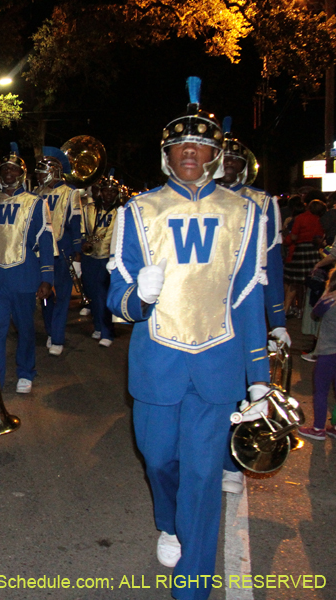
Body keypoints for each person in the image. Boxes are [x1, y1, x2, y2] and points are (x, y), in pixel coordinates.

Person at [107, 77, 269, 600]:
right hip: (157, 361)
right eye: (180, 146)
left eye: (200, 146)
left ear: (217, 155)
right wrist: (138, 295)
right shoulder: (137, 212)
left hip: (218, 364)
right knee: (158, 460)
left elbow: (246, 299)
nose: (190, 154)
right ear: (166, 156)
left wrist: (259, 380)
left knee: (203, 475)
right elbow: (117, 299)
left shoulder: (246, 214)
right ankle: (168, 520)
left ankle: (195, 583)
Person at [216, 119, 291, 494]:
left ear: (244, 165)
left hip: (247, 305)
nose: (228, 164)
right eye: (223, 158)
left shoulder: (264, 202)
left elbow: (273, 265)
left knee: (245, 387)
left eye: (235, 160)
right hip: (209, 305)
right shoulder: (203, 199)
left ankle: (233, 463)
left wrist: (276, 320)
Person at [0, 142, 53, 395]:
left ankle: (26, 371)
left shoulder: (35, 203)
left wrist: (47, 277)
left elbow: (45, 240)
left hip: (25, 276)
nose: (8, 173)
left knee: (25, 329)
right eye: (4, 169)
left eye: (13, 169)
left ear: (22, 174)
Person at [37, 147, 83, 356]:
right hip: (43, 252)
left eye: (43, 171)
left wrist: (77, 254)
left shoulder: (71, 193)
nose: (39, 175)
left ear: (54, 171)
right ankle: (50, 330)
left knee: (63, 295)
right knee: (45, 296)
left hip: (63, 249)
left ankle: (57, 337)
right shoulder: (38, 193)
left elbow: (76, 223)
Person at [81, 171, 120, 347]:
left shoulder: (121, 212)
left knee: (103, 296)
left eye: (112, 192)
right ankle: (98, 325)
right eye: (106, 191)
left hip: (108, 258)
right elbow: (82, 229)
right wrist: (83, 243)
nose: (109, 194)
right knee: (91, 293)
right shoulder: (89, 209)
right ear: (100, 192)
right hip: (90, 257)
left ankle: (107, 332)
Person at [297, 269, 336, 440]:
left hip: (328, 352)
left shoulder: (329, 300)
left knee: (321, 390)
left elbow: (316, 312)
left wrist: (327, 291)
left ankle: (318, 428)